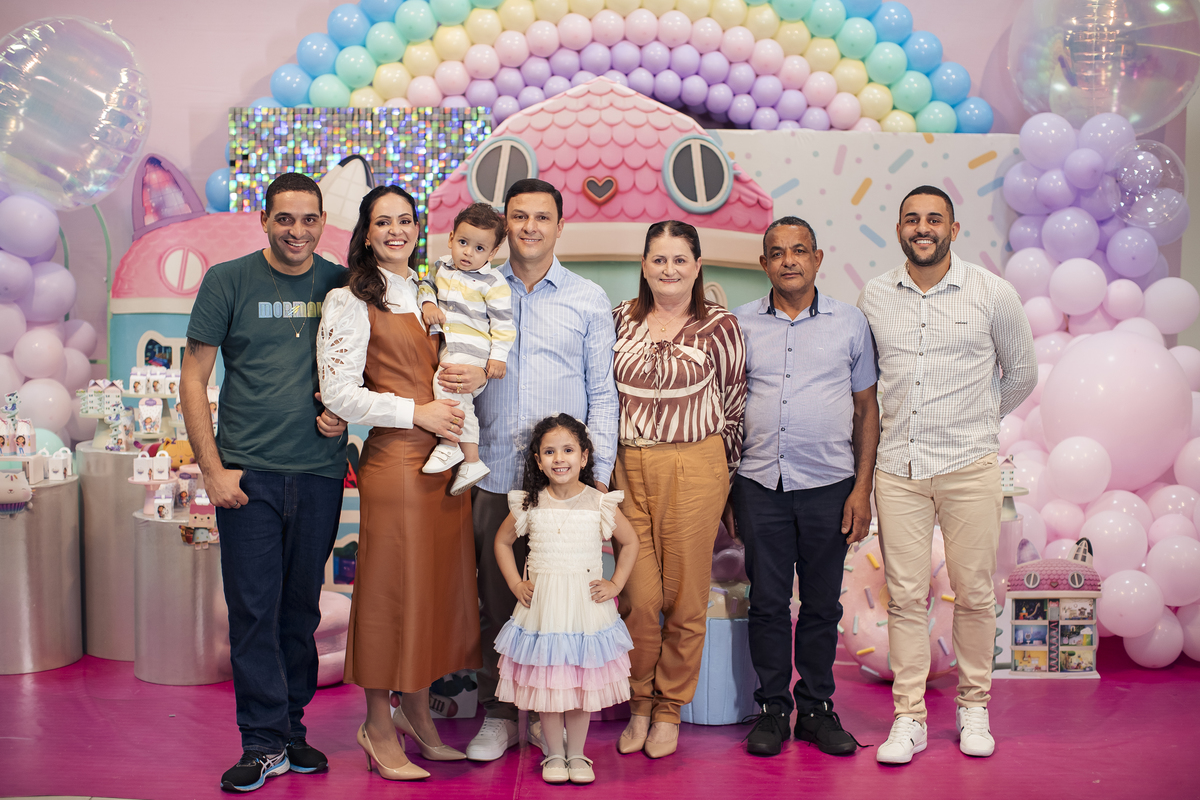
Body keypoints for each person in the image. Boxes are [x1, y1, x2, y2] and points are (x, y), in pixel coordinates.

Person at [181, 172, 349, 792]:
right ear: (264, 220)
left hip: (320, 472)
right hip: (247, 477)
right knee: (253, 612)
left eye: (308, 220)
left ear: (322, 221)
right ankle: (261, 742)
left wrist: (346, 412)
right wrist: (212, 469)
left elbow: (367, 365)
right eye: (284, 218)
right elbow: (192, 377)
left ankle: (290, 730)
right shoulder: (228, 280)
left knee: (300, 610)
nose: (297, 231)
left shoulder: (341, 283)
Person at [857, 186, 1036, 764]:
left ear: (953, 230)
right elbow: (866, 382)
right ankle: (909, 718)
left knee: (976, 593)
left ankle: (974, 706)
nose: (923, 228)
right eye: (912, 219)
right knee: (906, 597)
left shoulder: (992, 292)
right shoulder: (875, 295)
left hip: (969, 466)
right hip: (899, 469)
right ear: (899, 229)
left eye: (934, 219)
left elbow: (1022, 373)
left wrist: (979, 422)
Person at [316, 184, 482, 780]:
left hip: (445, 462)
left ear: (418, 229)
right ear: (365, 233)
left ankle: (416, 712)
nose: (396, 231)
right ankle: (376, 726)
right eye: (383, 221)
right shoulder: (348, 299)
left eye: (405, 220)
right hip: (399, 462)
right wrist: (418, 413)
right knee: (392, 595)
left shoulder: (429, 289)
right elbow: (338, 392)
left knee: (432, 593)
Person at [463, 178, 619, 761]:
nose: (530, 227)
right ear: (505, 224)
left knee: (560, 603)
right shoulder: (477, 289)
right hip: (492, 473)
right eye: (519, 216)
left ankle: (549, 713)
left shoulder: (587, 298)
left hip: (565, 488)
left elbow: (602, 394)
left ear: (560, 226)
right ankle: (501, 713)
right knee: (497, 601)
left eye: (542, 217)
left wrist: (597, 477)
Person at [732, 216, 878, 758]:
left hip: (830, 486)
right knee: (768, 603)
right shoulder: (740, 324)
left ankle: (816, 709)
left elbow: (867, 409)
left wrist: (861, 489)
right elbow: (726, 410)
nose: (788, 260)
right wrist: (727, 492)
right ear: (764, 263)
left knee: (821, 606)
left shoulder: (850, 323)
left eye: (799, 251)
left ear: (817, 259)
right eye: (777, 252)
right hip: (758, 484)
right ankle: (773, 709)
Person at [610, 221, 747, 759]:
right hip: (628, 466)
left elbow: (734, 408)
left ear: (697, 265)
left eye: (680, 259)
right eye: (659, 259)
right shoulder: (618, 319)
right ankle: (638, 704)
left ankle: (669, 709)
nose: (669, 269)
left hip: (695, 465)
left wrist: (724, 484)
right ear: (644, 265)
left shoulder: (720, 326)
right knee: (639, 599)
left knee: (685, 599)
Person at [493, 414, 639, 784]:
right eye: (550, 452)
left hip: (584, 609)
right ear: (538, 460)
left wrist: (616, 584)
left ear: (584, 457)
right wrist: (515, 584)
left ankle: (577, 754)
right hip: (545, 610)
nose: (559, 458)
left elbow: (630, 542)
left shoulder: (599, 502)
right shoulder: (530, 503)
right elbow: (502, 542)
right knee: (550, 686)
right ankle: (554, 754)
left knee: (579, 686)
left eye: (568, 450)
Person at [417, 202, 515, 495]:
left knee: (445, 384)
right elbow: (425, 285)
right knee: (458, 399)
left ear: (492, 253)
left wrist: (497, 358)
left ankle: (451, 446)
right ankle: (470, 461)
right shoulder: (442, 267)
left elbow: (504, 325)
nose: (468, 253)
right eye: (463, 242)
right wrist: (428, 304)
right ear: (451, 239)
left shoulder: (494, 283)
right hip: (450, 346)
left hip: (473, 350)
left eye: (479, 248)